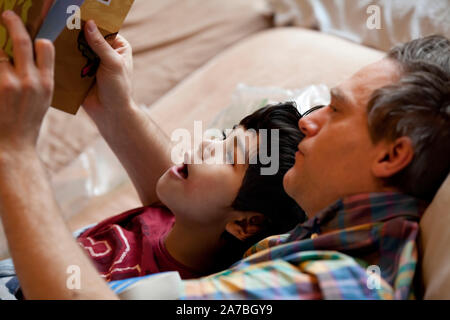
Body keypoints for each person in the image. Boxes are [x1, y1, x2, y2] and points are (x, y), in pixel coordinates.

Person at [0, 10, 448, 300]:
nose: (311, 121)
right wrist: (118, 111)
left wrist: (16, 154)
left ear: (391, 156)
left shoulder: (340, 285)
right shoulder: (317, 235)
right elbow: (193, 215)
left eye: (337, 109)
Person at [75, 102, 306, 282]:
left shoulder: (161, 288)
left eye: (228, 157)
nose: (207, 143)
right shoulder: (164, 215)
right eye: (224, 138)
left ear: (245, 225)